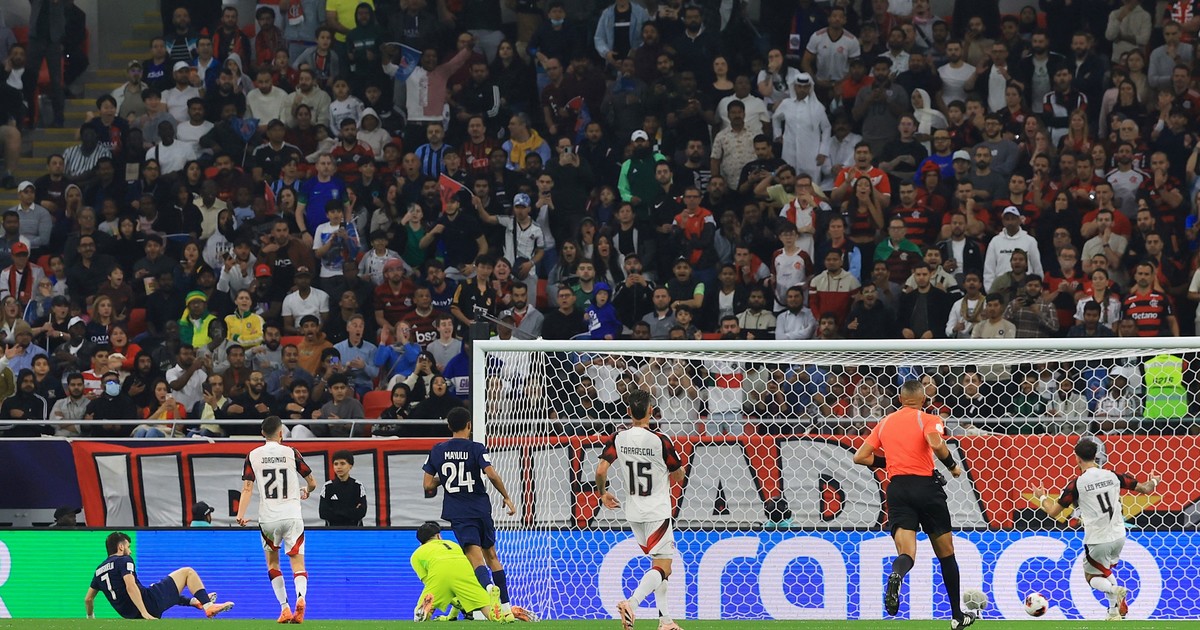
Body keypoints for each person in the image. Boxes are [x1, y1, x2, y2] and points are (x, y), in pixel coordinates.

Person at [852, 379, 976, 630]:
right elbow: (936, 442)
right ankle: (956, 616)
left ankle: (897, 574)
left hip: (898, 489)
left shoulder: (885, 422)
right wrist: (952, 466)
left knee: (906, 553)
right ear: (924, 399)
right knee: (946, 554)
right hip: (926, 488)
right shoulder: (928, 419)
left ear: (900, 399)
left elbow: (860, 456)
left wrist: (892, 462)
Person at [1029, 439, 1160, 620]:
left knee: (1091, 577)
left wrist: (1041, 496)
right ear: (1096, 456)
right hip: (1119, 535)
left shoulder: (1076, 485)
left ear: (1077, 458)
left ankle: (1114, 590)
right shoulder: (1113, 475)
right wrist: (1154, 480)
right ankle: (1113, 612)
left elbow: (1053, 512)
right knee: (1105, 571)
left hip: (1098, 539)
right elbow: (1145, 489)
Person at [595, 389, 685, 630]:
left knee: (661, 567)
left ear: (628, 411)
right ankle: (631, 604)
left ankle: (666, 621)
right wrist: (677, 470)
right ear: (651, 411)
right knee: (664, 567)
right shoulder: (660, 440)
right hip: (657, 511)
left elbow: (601, 470)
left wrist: (603, 493)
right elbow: (678, 475)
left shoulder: (618, 437)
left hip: (634, 512)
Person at [422, 407, 517, 621]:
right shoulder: (476, 448)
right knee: (492, 556)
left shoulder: (437, 450)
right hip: (481, 508)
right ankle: (507, 609)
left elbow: (428, 485)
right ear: (469, 425)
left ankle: (489, 589)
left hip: (459, 512)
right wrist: (506, 496)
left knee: (475, 560)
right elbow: (491, 474)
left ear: (449, 426)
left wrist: (445, 479)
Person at [236, 415, 318, 624]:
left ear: (262, 433)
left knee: (273, 563)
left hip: (268, 519)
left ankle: (284, 608)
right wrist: (306, 490)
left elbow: (247, 488)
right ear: (281, 433)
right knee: (297, 563)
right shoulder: (291, 452)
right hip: (292, 516)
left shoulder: (253, 455)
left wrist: (240, 514)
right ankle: (301, 597)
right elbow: (312, 482)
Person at [84, 532, 233, 620]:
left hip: (129, 614)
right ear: (121, 547)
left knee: (157, 589)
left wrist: (90, 618)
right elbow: (130, 586)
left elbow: (88, 599)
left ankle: (194, 601)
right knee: (187, 572)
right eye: (128, 547)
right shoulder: (124, 560)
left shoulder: (99, 571)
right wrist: (145, 613)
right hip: (147, 606)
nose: (130, 551)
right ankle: (208, 606)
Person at [410, 521, 507, 622]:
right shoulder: (453, 545)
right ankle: (495, 614)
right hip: (465, 573)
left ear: (421, 542)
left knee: (430, 599)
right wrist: (456, 606)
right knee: (484, 605)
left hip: (440, 574)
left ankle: (424, 612)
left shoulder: (417, 554)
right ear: (438, 536)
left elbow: (428, 581)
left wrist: (453, 600)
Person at [319, 449, 367, 526]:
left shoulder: (358, 486)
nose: (339, 467)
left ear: (350, 466)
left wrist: (335, 511)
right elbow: (323, 513)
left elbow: (361, 512)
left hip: (354, 530)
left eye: (342, 463)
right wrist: (351, 512)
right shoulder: (328, 487)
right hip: (333, 530)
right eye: (336, 464)